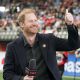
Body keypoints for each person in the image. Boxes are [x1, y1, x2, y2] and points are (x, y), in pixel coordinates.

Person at [3, 8, 79, 80]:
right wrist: (22, 78)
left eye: (35, 20)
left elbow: (73, 45)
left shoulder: (49, 39)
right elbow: (7, 74)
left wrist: (70, 25)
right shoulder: (12, 47)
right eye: (31, 21)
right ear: (22, 24)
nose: (35, 23)